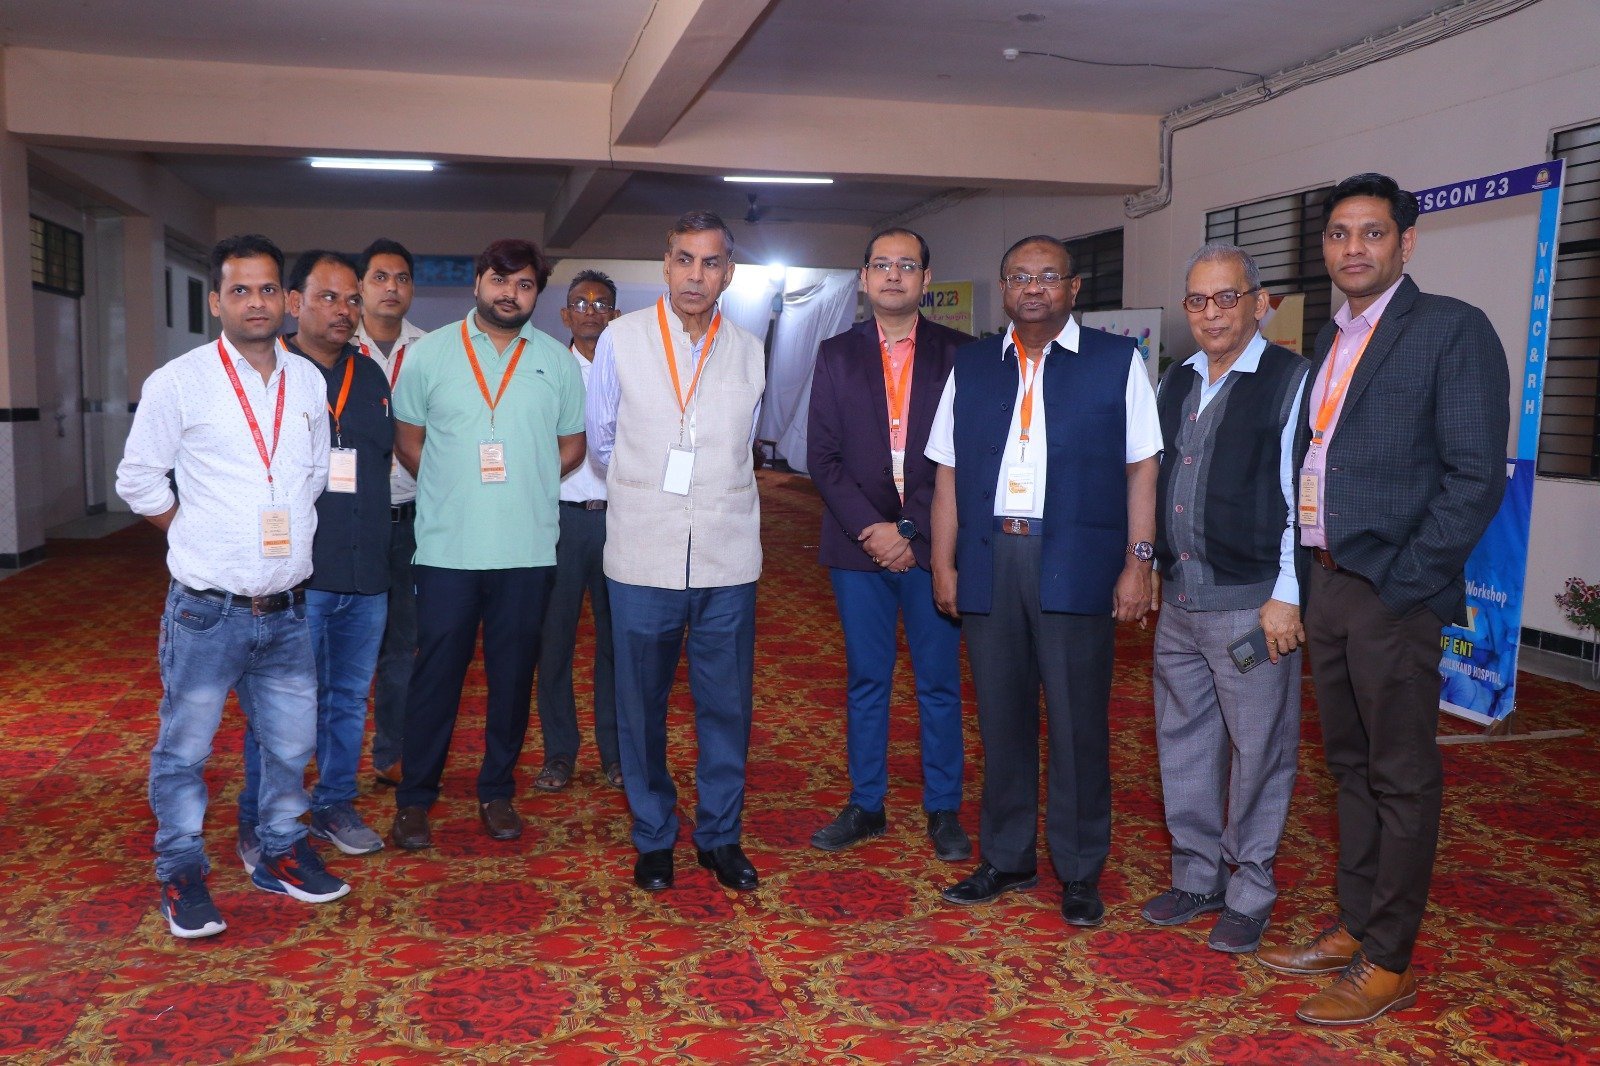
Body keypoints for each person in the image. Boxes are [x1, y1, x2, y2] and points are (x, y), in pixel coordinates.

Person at [1257, 173, 1509, 1025]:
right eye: (1338, 234)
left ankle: (1390, 959)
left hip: (1392, 593)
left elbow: (1474, 479)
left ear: (1407, 241)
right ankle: (1357, 924)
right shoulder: (1332, 338)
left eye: (1371, 232)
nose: (1352, 248)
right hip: (1328, 583)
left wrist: (1403, 588)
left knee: (1401, 777)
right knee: (1350, 768)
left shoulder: (1450, 330)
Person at [116, 234, 348, 939]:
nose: (256, 302)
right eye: (239, 290)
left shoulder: (306, 381)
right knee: (185, 752)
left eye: (267, 289)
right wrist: (192, 532)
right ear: (216, 301)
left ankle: (280, 850)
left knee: (290, 747)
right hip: (206, 611)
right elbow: (138, 480)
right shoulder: (178, 381)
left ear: (286, 299)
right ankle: (181, 871)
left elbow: (313, 476)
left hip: (287, 607)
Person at [926, 235, 1161, 927]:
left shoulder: (1116, 361)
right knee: (1001, 719)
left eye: (1048, 277)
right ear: (1004, 288)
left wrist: (1139, 561)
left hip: (1078, 562)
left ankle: (1080, 870)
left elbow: (1142, 466)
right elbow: (946, 471)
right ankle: (1006, 858)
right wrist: (943, 562)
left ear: (1074, 288)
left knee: (1077, 723)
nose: (1034, 288)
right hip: (991, 557)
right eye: (1020, 277)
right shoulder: (972, 364)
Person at [387, 239, 586, 850]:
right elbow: (409, 441)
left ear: (537, 294)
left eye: (524, 285)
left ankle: (497, 791)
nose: (510, 293)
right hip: (447, 551)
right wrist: (452, 487)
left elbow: (573, 446)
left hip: (527, 551)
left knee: (512, 680)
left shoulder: (556, 362)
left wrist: (528, 480)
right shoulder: (429, 355)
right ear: (477, 284)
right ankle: (415, 799)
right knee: (435, 680)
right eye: (499, 280)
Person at [587, 211, 765, 893]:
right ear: (665, 265)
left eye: (711, 262)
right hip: (643, 552)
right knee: (641, 706)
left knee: (727, 707)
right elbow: (603, 439)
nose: (697, 275)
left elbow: (745, 442)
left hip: (727, 555)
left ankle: (720, 836)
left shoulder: (749, 349)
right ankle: (654, 835)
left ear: (729, 273)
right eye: (685, 260)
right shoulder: (622, 338)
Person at [1140, 243, 1309, 954]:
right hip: (1180, 604)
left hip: (1252, 610)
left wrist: (1288, 594)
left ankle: (1250, 890)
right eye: (1198, 301)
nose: (1212, 313)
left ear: (1259, 303)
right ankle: (1197, 875)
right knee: (1182, 741)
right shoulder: (1176, 380)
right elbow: (1155, 479)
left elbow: (1302, 496)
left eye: (1227, 297)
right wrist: (1151, 563)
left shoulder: (1290, 381)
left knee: (1259, 749)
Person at [806, 227, 972, 861]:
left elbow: (964, 457)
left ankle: (943, 808)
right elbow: (822, 457)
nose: (894, 275)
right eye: (882, 265)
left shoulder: (961, 353)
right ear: (864, 278)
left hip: (934, 546)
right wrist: (873, 530)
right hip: (858, 548)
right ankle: (866, 803)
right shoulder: (835, 354)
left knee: (939, 684)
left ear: (926, 279)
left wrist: (910, 530)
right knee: (867, 680)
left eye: (907, 265)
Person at [238, 250, 393, 868]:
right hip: (297, 576)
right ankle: (260, 817)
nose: (344, 310)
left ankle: (333, 803)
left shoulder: (371, 374)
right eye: (329, 297)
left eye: (352, 299)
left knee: (349, 699)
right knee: (280, 704)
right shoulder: (268, 374)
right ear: (294, 302)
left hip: (366, 571)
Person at [533, 270, 623, 793]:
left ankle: (616, 753)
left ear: (615, 314)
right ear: (565, 315)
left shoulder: (630, 367)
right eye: (580, 303)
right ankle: (559, 753)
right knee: (554, 642)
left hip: (619, 520)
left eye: (601, 303)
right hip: (561, 521)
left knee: (617, 644)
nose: (591, 310)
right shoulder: (546, 369)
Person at [353, 238, 427, 789]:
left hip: (413, 519)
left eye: (401, 278)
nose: (391, 288)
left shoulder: (431, 350)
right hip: (350, 522)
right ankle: (326, 758)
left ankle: (391, 752)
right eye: (380, 277)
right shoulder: (335, 347)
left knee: (404, 644)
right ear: (361, 286)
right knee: (343, 642)